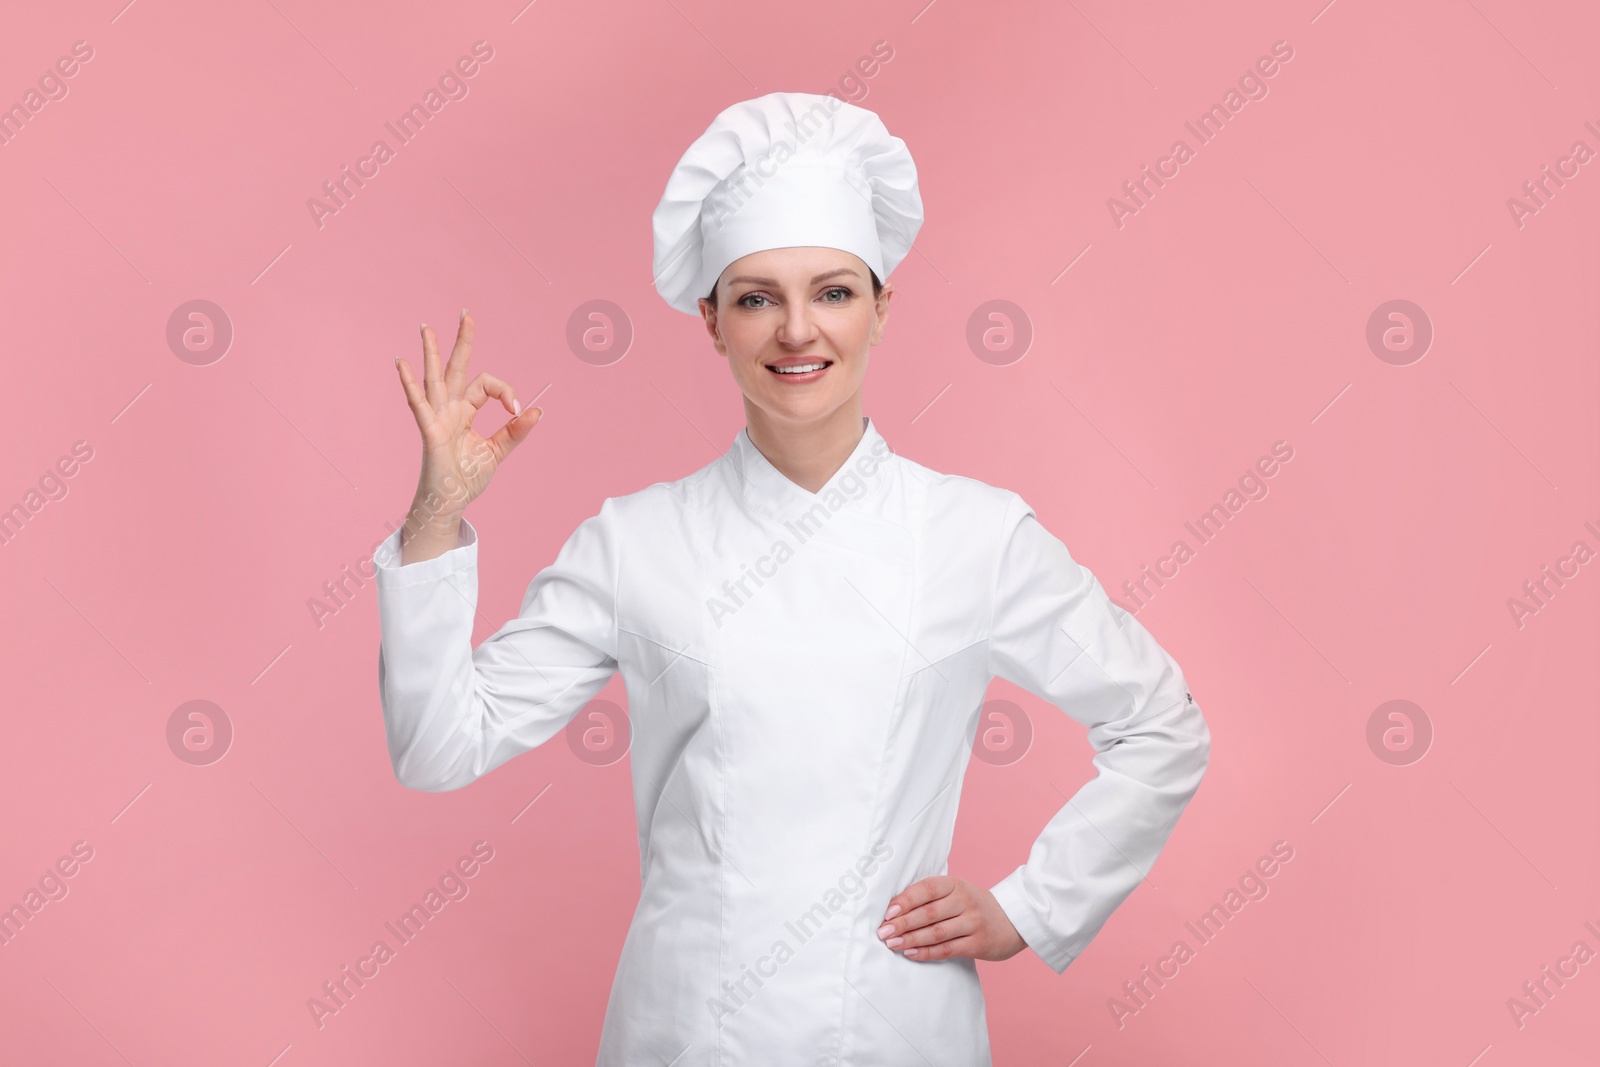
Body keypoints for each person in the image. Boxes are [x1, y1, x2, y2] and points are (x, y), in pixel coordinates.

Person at [374, 91, 1210, 1066]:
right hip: (683, 1034)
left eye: (835, 292)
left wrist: (1031, 905)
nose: (797, 331)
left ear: (883, 308)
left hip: (902, 1030)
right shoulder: (634, 541)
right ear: (710, 321)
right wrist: (435, 514)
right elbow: (438, 746)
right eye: (758, 297)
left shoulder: (974, 534)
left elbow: (1162, 723)